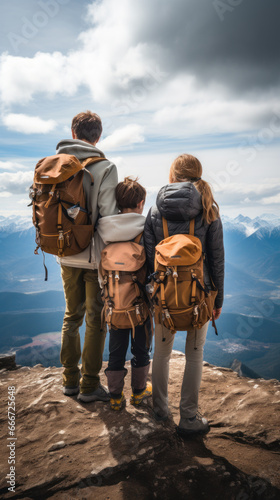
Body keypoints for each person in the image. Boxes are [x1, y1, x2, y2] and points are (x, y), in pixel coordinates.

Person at [144, 154, 224, 434]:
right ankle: (188, 418)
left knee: (162, 353)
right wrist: (218, 299)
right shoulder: (208, 208)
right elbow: (216, 259)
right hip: (201, 296)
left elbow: (147, 259)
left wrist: (150, 295)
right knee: (194, 353)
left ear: (173, 175)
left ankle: (160, 410)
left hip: (164, 297)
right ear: (198, 174)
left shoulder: (156, 211)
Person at [57, 111, 118, 402]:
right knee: (96, 319)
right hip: (93, 257)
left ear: (72, 131)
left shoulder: (52, 165)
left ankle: (69, 380)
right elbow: (107, 216)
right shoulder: (105, 167)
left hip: (64, 252)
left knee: (72, 316)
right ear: (98, 136)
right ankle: (90, 385)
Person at [97, 177, 152, 411]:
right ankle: (139, 393)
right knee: (141, 348)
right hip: (139, 304)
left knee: (116, 349)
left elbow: (101, 267)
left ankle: (115, 396)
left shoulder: (105, 228)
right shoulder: (146, 229)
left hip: (113, 303)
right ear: (141, 203)